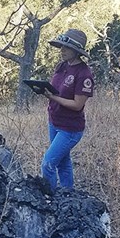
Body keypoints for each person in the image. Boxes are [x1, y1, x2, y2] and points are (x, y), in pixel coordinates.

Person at [39, 28, 94, 191]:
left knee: (48, 164)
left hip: (70, 128)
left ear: (76, 51)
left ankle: (51, 197)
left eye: (66, 48)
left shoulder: (84, 74)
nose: (61, 50)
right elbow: (56, 89)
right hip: (54, 122)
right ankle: (67, 195)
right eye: (61, 47)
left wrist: (52, 98)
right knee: (63, 162)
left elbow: (78, 105)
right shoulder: (61, 66)